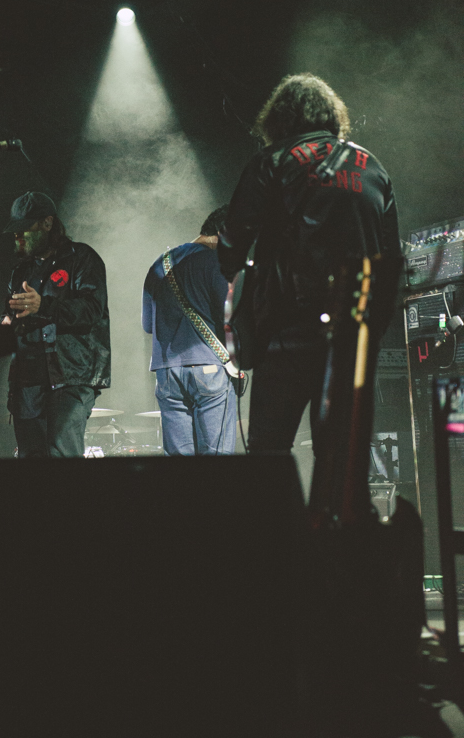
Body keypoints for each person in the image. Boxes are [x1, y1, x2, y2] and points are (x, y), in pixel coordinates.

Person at [217, 73, 400, 454]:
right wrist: (371, 329)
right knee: (340, 456)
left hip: (288, 327)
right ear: (332, 116)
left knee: (269, 450)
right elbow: (391, 263)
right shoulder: (374, 168)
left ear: (279, 119)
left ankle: (276, 516)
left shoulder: (271, 162)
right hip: (353, 331)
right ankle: (334, 515)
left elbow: (231, 246)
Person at [1, 191, 111, 458]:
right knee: (31, 458)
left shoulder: (81, 258)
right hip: (27, 380)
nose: (18, 237)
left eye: (24, 230)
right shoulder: (21, 271)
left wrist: (45, 306)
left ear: (47, 224)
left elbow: (92, 309)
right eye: (15, 231)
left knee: (62, 456)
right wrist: (7, 323)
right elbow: (11, 313)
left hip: (68, 376)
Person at [142, 206, 237, 455]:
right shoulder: (216, 262)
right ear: (222, 232)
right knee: (216, 460)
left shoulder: (159, 263)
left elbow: (147, 325)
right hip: (209, 368)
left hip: (165, 371)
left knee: (177, 465)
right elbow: (229, 318)